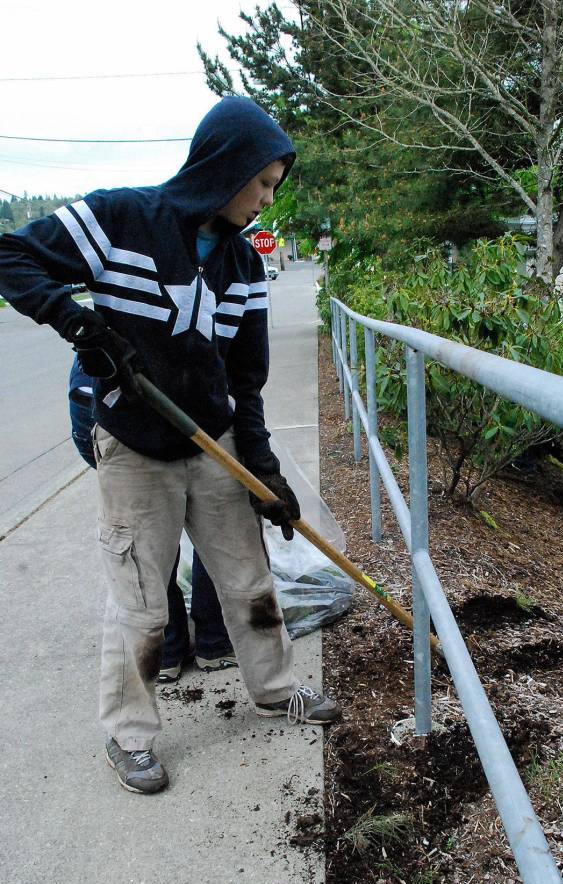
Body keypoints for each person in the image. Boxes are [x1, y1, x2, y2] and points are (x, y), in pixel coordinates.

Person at [0, 96, 340, 795]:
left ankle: (276, 689)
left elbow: (246, 381)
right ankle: (128, 737)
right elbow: (11, 255)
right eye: (264, 184)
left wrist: (264, 471)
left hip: (211, 442)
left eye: (276, 189)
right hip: (134, 448)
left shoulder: (243, 267)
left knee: (247, 580)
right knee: (140, 600)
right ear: (229, 166)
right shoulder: (122, 219)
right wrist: (77, 323)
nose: (266, 202)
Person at [69, 358, 236, 681]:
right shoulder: (112, 331)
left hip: (191, 421)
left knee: (211, 531)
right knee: (151, 541)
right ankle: (170, 649)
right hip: (120, 428)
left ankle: (205, 643)